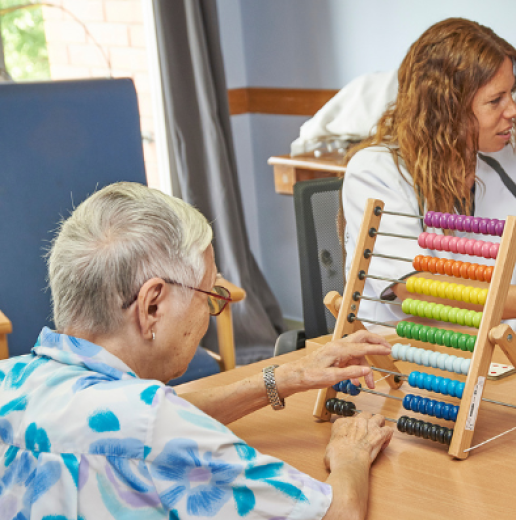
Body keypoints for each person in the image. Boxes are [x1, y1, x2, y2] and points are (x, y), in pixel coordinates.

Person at [0, 182, 394, 520]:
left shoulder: (11, 379)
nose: (209, 312)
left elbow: (133, 425)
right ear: (152, 306)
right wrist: (351, 456)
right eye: (209, 294)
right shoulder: (154, 423)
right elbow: (335, 514)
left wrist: (284, 378)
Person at [342, 17, 516, 337]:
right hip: (398, 367)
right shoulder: (375, 173)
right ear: (447, 109)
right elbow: (414, 289)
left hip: (494, 358)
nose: (513, 110)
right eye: (495, 100)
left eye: (511, 94)